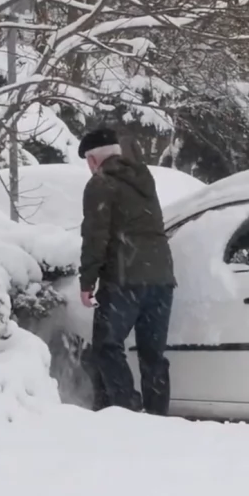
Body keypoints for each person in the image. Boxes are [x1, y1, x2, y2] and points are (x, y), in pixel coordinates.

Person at [77, 127, 176, 415]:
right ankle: (158, 417)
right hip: (161, 278)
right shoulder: (144, 178)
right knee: (152, 355)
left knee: (107, 347)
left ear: (92, 160)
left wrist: (87, 282)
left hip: (124, 278)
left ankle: (128, 412)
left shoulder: (100, 184)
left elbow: (95, 237)